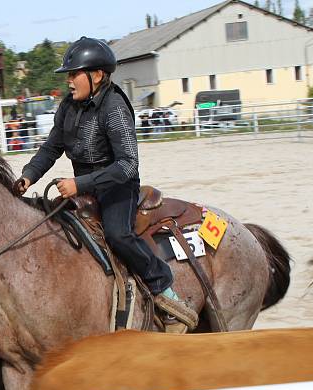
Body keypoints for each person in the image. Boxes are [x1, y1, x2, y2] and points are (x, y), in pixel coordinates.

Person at [15, 37, 198, 332]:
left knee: (118, 234)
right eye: (69, 76)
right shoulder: (67, 107)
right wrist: (28, 175)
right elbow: (51, 147)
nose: (69, 82)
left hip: (118, 186)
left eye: (74, 74)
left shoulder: (114, 107)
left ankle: (165, 292)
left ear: (97, 75)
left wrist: (79, 183)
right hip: (83, 187)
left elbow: (127, 165)